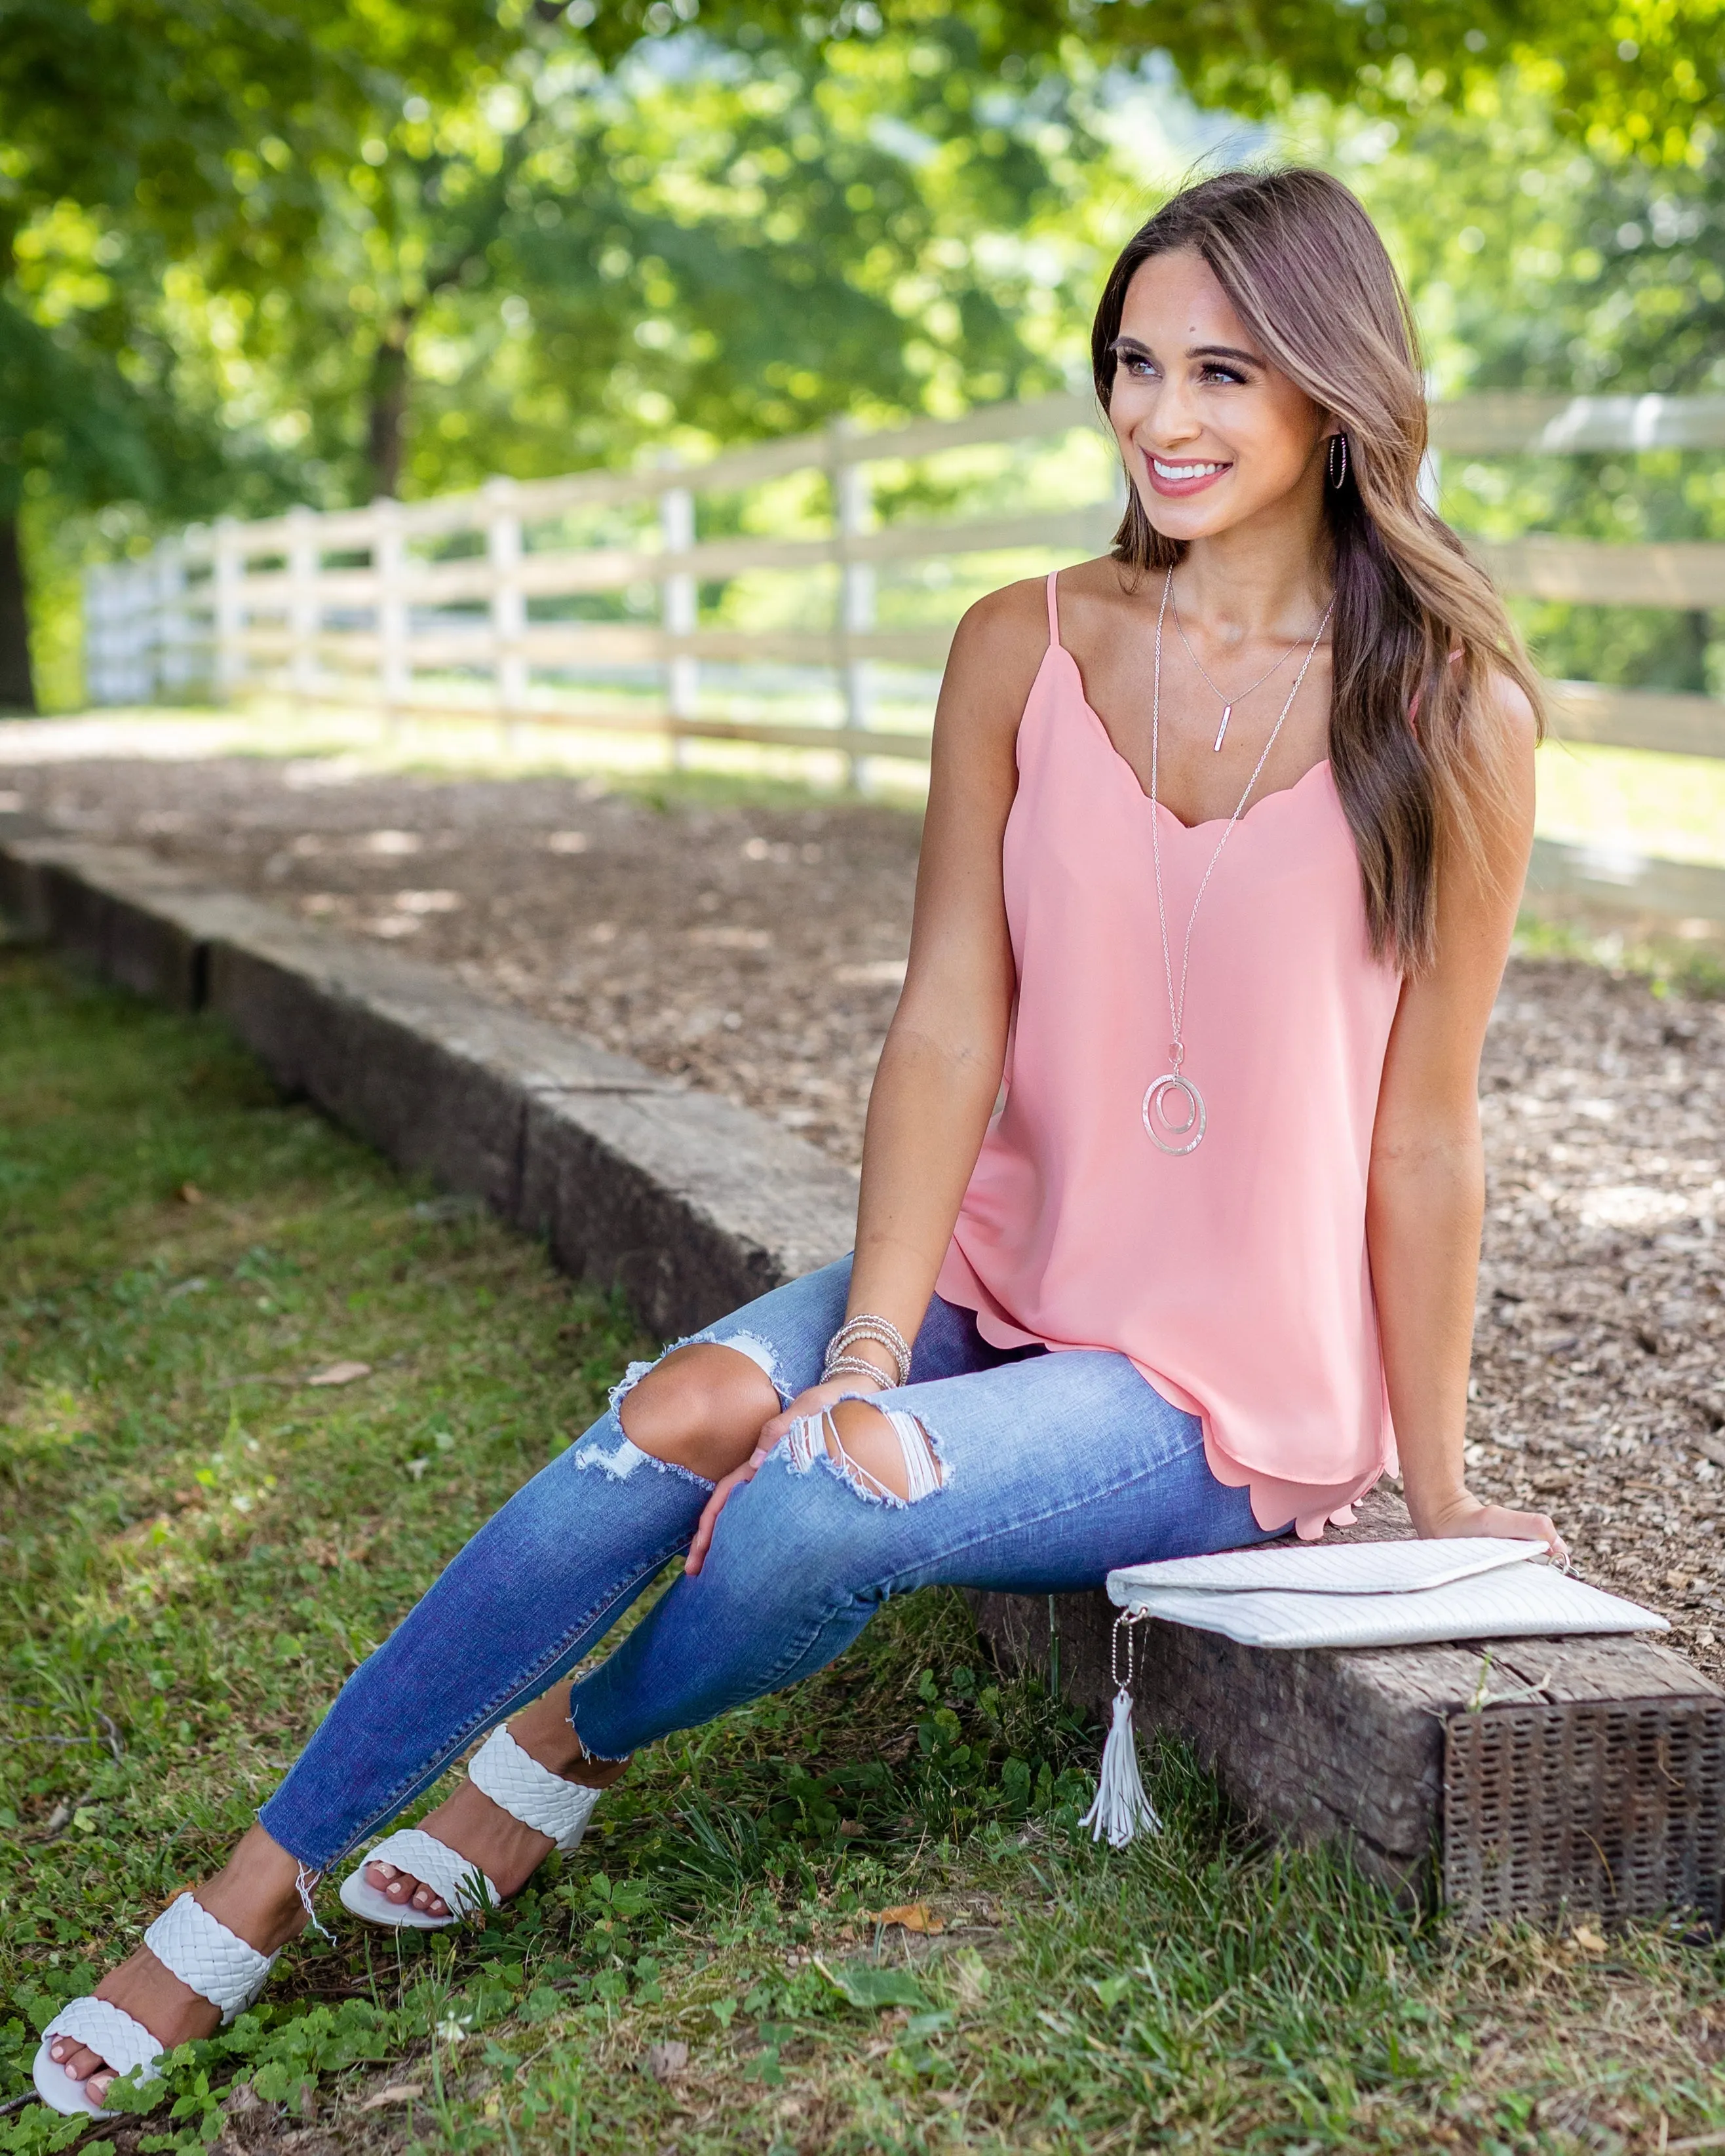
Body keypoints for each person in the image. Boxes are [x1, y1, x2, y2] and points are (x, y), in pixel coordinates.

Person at [38, 165, 1564, 2116]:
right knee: (681, 1417)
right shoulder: (1024, 643)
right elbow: (949, 1015)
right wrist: (860, 1346)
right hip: (999, 1276)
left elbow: (1429, 1138)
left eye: (1222, 374)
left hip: (1214, 1392)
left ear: (1336, 393)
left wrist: (1433, 1499)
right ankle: (249, 1891)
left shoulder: (1447, 710)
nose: (1160, 419)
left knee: (825, 1505)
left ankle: (568, 1743)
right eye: (1132, 364)